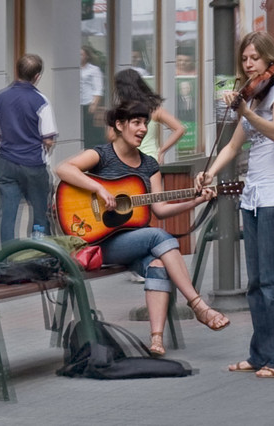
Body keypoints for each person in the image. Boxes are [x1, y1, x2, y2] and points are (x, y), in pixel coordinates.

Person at [56, 99, 229, 359]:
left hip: (137, 242)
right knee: (159, 235)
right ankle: (198, 304)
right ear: (119, 124)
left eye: (145, 123)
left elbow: (159, 209)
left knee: (158, 264)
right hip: (102, 243)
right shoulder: (101, 155)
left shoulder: (149, 165)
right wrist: (99, 189)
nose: (143, 128)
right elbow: (62, 168)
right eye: (136, 122)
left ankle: (156, 339)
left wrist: (196, 200)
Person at [195, 31, 274, 378]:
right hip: (253, 195)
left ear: (270, 60)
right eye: (244, 59)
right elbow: (233, 146)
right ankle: (260, 354)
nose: (249, 64)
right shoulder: (252, 99)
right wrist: (208, 172)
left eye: (254, 58)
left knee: (273, 281)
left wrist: (245, 112)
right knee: (255, 282)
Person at [0, 54, 57, 244]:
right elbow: (48, 138)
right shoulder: (41, 101)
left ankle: (6, 258)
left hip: (6, 163)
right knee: (40, 211)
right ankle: (39, 251)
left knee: (7, 214)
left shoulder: (0, 97)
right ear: (37, 76)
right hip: (34, 165)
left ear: (16, 71)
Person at [113, 68, 185, 165]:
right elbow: (180, 128)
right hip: (150, 157)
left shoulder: (122, 111)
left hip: (126, 158)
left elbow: (111, 136)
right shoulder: (154, 109)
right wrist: (161, 151)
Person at [80, 45, 104, 149]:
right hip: (77, 104)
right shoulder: (75, 69)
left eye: (81, 54)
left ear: (87, 56)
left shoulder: (94, 69)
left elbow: (98, 88)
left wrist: (94, 103)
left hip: (88, 103)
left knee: (89, 130)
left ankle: (89, 148)